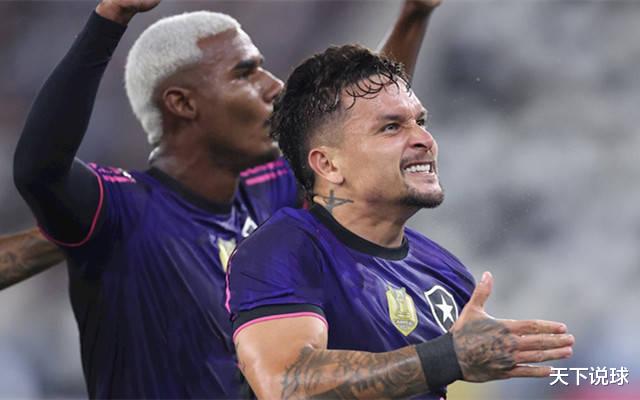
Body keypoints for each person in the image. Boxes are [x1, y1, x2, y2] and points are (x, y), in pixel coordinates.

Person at [12, 0, 443, 397]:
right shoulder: (122, 211)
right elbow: (39, 169)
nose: (274, 86)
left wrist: (413, 17)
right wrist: (110, 17)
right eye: (245, 73)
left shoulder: (269, 195)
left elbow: (355, 133)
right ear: (183, 103)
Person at [226, 45, 575, 399]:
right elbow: (287, 385)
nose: (425, 140)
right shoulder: (282, 251)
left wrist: (469, 354)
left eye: (420, 122)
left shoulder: (444, 272)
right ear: (328, 165)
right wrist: (449, 356)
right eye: (391, 128)